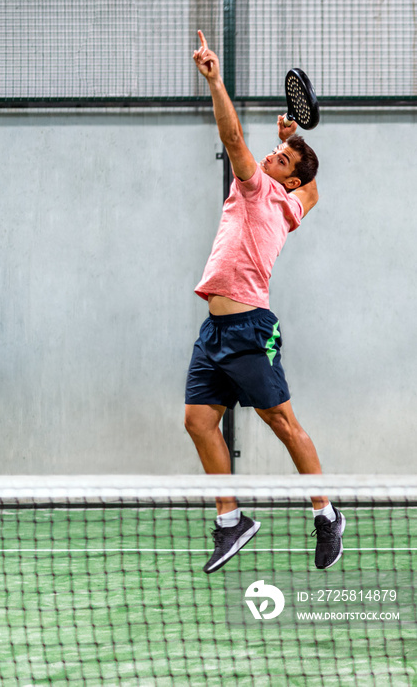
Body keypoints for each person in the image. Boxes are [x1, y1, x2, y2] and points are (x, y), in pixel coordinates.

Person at [185, 31, 345, 574]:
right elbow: (315, 190)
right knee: (198, 421)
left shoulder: (260, 190)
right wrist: (293, 136)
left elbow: (232, 138)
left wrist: (216, 80)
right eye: (274, 151)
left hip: (251, 327)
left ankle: (326, 514)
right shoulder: (294, 203)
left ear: (286, 177)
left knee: (281, 421)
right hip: (214, 333)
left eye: (280, 156)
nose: (270, 154)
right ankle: (232, 521)